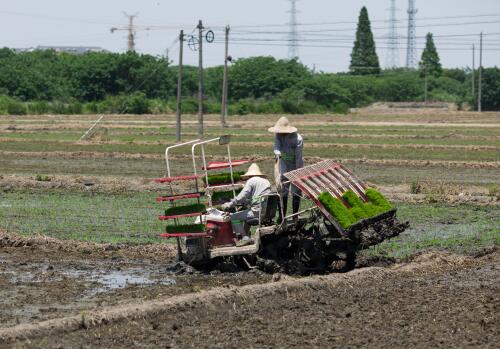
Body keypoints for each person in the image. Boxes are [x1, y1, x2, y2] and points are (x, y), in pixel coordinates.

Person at [221, 163, 271, 246]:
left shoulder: (251, 181)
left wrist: (229, 204)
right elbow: (260, 197)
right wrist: (247, 202)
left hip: (256, 212)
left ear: (249, 175)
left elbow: (242, 195)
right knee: (245, 215)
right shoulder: (266, 181)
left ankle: (244, 237)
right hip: (264, 211)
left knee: (233, 217)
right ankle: (246, 236)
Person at [268, 116, 304, 219]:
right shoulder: (278, 135)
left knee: (296, 191)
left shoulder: (298, 139)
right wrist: (277, 153)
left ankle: (295, 216)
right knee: (282, 189)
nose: (281, 133)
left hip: (295, 164)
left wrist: (297, 172)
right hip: (283, 163)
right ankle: (282, 216)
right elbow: (276, 146)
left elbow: (298, 156)